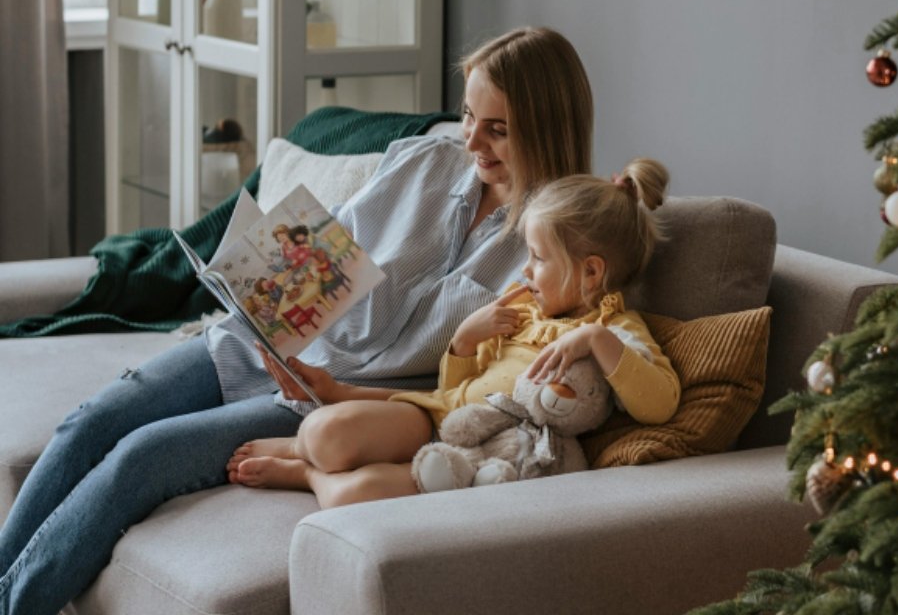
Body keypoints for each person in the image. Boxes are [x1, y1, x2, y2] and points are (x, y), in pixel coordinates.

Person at [0, 26, 594, 615]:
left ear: (546, 129)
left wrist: (334, 390)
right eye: (468, 117)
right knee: (89, 423)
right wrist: (256, 284)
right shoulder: (424, 162)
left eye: (498, 130)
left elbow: (469, 388)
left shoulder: (549, 250)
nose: (472, 143)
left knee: (141, 456)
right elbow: (324, 245)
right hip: (259, 344)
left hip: (326, 399)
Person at [227, 159, 680, 508]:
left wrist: (595, 341)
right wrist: (465, 340)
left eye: (539, 258)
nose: (525, 269)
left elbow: (660, 403)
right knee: (324, 430)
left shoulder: (616, 331)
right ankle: (301, 447)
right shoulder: (520, 310)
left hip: (488, 456)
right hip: (438, 421)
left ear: (592, 272)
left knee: (351, 496)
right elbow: (452, 391)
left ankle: (307, 474)